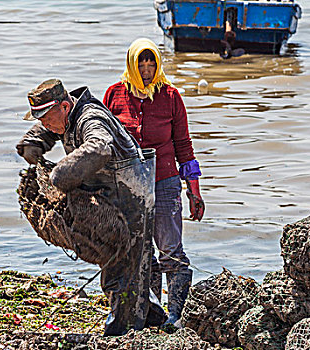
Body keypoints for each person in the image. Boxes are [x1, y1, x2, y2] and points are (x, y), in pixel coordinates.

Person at [16, 78, 166, 335]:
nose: (44, 124)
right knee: (123, 263)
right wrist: (34, 141)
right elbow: (49, 128)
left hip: (131, 195)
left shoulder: (90, 118)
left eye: (46, 117)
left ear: (64, 106)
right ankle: (154, 320)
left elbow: (99, 148)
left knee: (124, 267)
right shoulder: (65, 115)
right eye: (39, 119)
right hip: (108, 193)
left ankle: (122, 331)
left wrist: (61, 175)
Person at [103, 38, 205, 326]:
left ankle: (175, 316)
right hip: (127, 186)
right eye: (141, 63)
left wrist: (193, 192)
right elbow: (103, 143)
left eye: (151, 63)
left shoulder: (170, 97)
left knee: (170, 249)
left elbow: (184, 147)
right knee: (137, 252)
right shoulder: (114, 95)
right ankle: (149, 311)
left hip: (165, 182)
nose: (146, 69)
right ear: (132, 64)